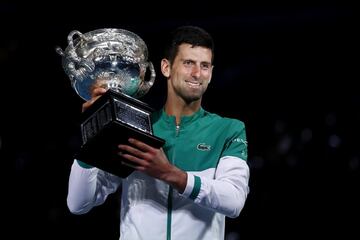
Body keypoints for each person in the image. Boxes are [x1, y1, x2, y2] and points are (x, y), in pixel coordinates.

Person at [67, 25, 250, 240]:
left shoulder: (228, 129)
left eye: (205, 66)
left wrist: (169, 173)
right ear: (166, 67)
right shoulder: (134, 126)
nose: (197, 73)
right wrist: (93, 132)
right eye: (188, 63)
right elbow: (78, 203)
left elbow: (234, 201)